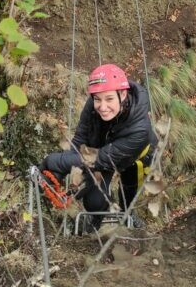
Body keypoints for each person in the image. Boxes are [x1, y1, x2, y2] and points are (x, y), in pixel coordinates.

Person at [39, 64, 157, 233]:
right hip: (101, 151)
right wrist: (58, 172)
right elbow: (80, 141)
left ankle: (128, 212)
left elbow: (103, 159)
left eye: (109, 99)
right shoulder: (93, 103)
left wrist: (56, 161)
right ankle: (96, 217)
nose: (102, 106)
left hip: (136, 156)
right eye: (98, 99)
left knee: (129, 190)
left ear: (123, 94)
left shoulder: (140, 128)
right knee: (93, 202)